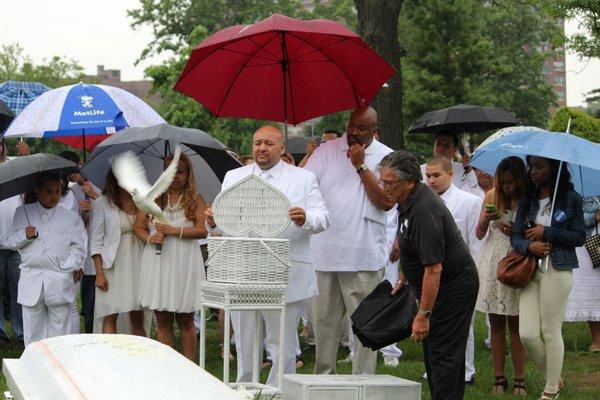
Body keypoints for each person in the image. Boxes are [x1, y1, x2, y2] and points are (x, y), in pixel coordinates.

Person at [206, 125, 329, 386]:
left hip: (286, 272)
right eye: (257, 143)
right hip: (243, 271)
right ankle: (246, 388)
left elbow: (323, 218)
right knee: (245, 339)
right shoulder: (233, 176)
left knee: (282, 341)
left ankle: (279, 390)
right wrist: (213, 222)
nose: (261, 148)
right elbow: (221, 218)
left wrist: (305, 219)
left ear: (282, 148)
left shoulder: (302, 178)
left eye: (269, 144)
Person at [381, 150, 479, 400]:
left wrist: (423, 315)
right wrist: (404, 277)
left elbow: (434, 267)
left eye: (390, 183)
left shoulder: (424, 211)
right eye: (383, 181)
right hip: (438, 285)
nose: (384, 187)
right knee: (436, 353)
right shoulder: (407, 201)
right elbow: (411, 246)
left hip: (452, 287)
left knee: (442, 354)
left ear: (410, 181)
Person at [305, 106, 395, 375]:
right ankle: (323, 381)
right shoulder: (326, 151)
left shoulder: (387, 156)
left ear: (374, 130)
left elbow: (387, 201)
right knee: (323, 323)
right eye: (351, 125)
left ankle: (363, 382)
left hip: (363, 254)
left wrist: (361, 165)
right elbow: (305, 188)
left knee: (366, 324)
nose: (354, 132)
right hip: (325, 252)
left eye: (362, 128)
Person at [511, 156, 585, 400]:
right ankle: (556, 378)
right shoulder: (528, 198)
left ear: (555, 168)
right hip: (530, 269)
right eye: (532, 166)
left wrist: (548, 232)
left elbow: (578, 237)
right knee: (527, 334)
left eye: (540, 167)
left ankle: (551, 390)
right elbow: (516, 236)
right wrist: (529, 247)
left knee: (550, 330)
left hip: (558, 269)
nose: (533, 171)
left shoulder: (570, 198)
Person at [134, 153, 208, 361]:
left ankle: (191, 367)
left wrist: (173, 230)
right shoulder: (153, 198)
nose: (175, 177)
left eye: (180, 172)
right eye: (170, 172)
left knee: (186, 318)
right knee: (162, 317)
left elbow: (202, 231)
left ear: (187, 174)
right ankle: (170, 366)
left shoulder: (195, 199)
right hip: (159, 261)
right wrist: (150, 238)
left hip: (184, 262)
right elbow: (138, 227)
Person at [4, 173, 87, 346]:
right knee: (33, 332)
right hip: (31, 280)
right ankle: (34, 367)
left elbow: (79, 247)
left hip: (59, 278)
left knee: (59, 334)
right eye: (49, 192)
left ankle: (58, 367)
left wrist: (68, 267)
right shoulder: (23, 212)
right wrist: (23, 235)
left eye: (57, 191)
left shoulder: (71, 217)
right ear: (37, 191)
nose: (54, 196)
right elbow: (10, 241)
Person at [425, 155, 483, 386]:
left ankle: (466, 369)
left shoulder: (468, 201)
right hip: (432, 272)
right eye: (428, 176)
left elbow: (474, 243)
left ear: (450, 174)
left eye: (436, 175)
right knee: (433, 321)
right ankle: (435, 368)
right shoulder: (424, 201)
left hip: (460, 273)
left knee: (462, 325)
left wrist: (474, 276)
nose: (431, 180)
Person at [475, 156, 529, 396]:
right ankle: (499, 377)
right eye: (503, 182)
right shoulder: (491, 196)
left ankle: (520, 379)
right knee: (496, 324)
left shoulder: (528, 201)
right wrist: (486, 220)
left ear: (519, 180)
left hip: (516, 262)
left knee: (516, 324)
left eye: (511, 182)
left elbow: (532, 234)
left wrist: (514, 230)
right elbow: (478, 234)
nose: (507, 187)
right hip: (493, 260)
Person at [90, 170, 146, 336]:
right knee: (110, 314)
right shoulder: (102, 203)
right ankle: (109, 357)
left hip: (139, 261)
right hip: (112, 265)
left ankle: (140, 358)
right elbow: (95, 241)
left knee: (138, 315)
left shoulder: (143, 201)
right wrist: (99, 273)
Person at [564, 196, 600, 352]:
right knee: (592, 293)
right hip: (591, 245)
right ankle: (597, 340)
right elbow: (574, 219)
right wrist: (595, 216)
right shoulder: (581, 194)